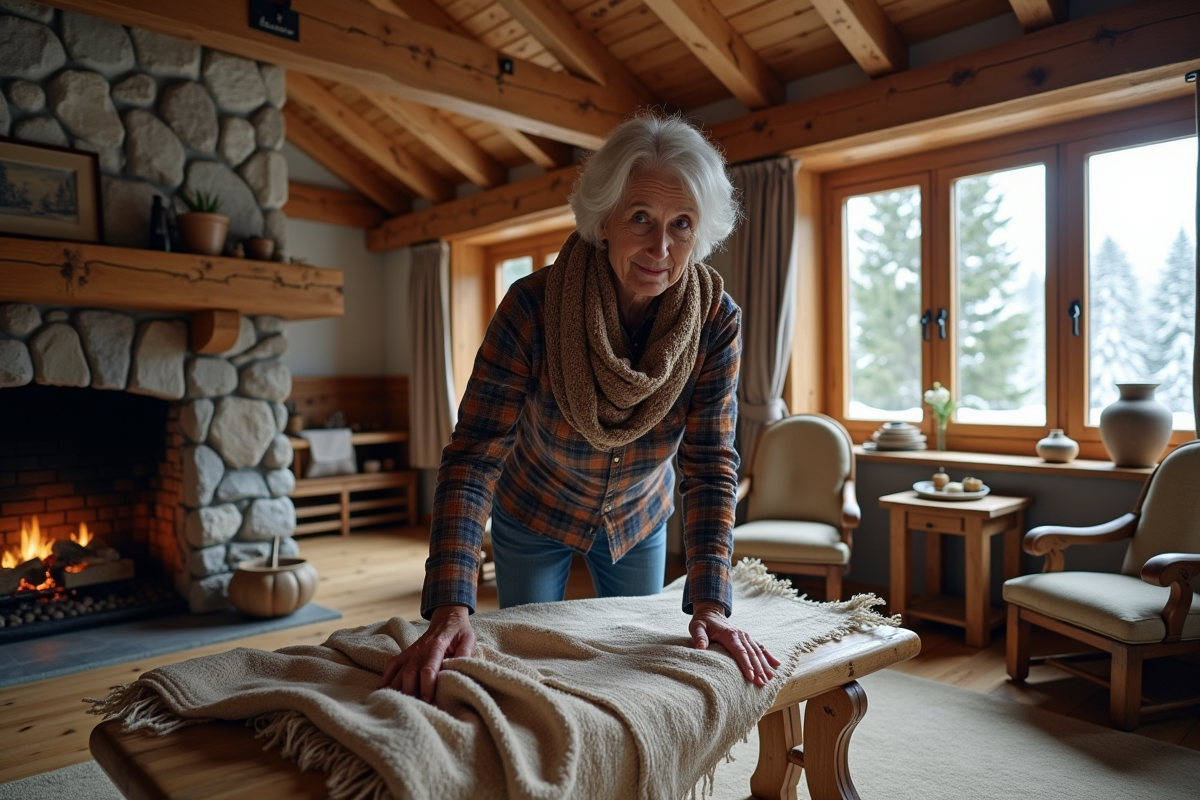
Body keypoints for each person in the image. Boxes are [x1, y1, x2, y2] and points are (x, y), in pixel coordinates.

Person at [381, 114, 780, 702]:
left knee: (631, 681)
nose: (660, 248)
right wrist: (449, 607)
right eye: (640, 216)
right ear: (604, 218)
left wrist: (712, 603)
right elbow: (473, 457)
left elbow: (709, 463)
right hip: (535, 506)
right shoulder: (532, 307)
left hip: (639, 516)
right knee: (528, 670)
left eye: (681, 224)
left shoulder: (716, 321)